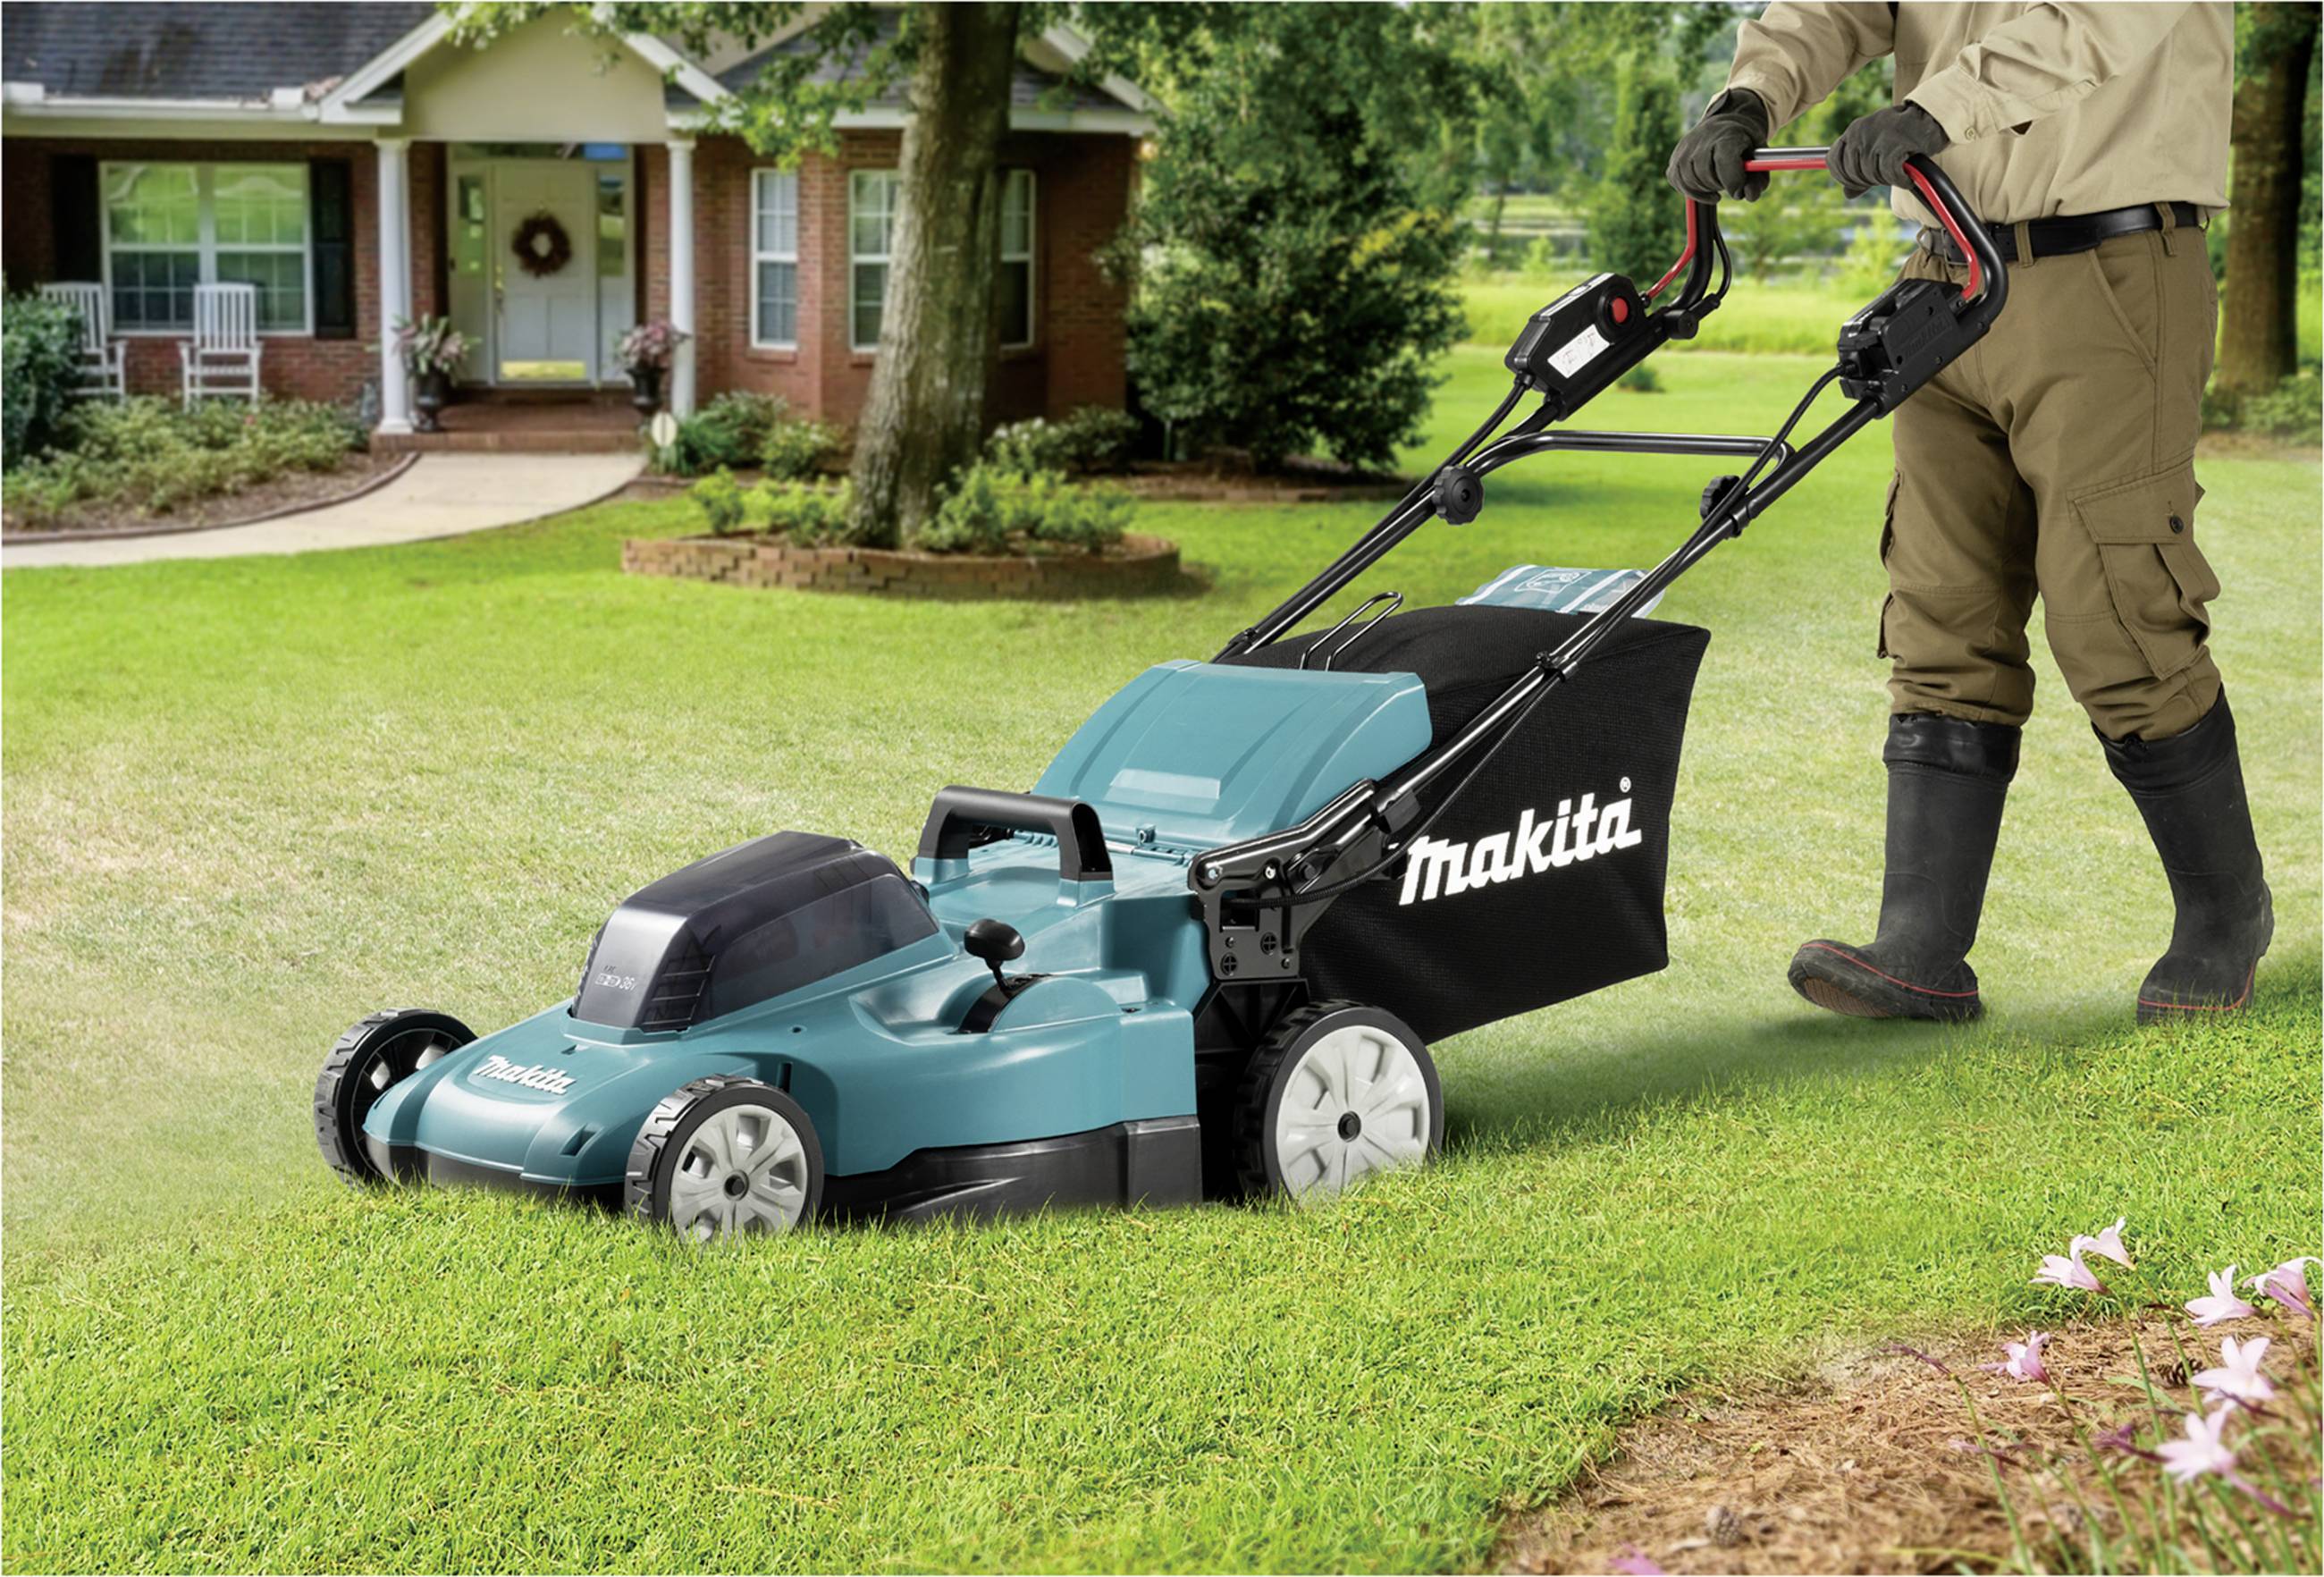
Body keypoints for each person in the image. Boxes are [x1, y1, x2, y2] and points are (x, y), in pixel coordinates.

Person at [1666, 3, 2267, 1025]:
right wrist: (1750, 94)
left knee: (2116, 609)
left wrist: (1934, 110)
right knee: (1939, 604)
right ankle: (1922, 946)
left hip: (2110, 269)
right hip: (1947, 267)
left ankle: (2223, 917)